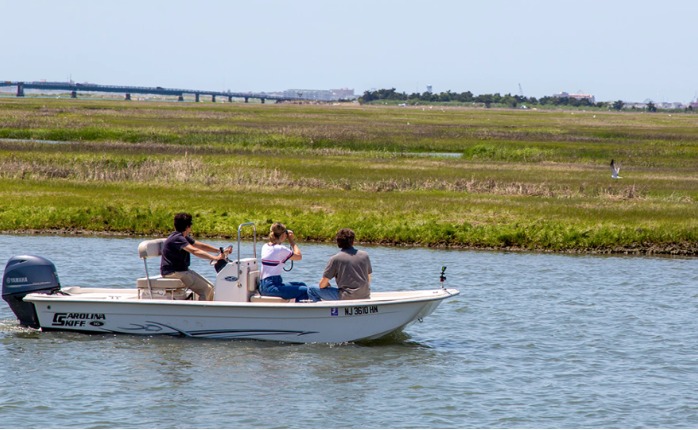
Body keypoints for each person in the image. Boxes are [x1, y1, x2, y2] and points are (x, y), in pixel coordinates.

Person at [160, 212, 231, 301]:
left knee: (210, 287)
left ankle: (207, 307)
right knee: (205, 289)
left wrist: (219, 250)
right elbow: (194, 251)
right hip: (173, 272)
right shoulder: (177, 239)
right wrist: (215, 258)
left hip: (181, 271)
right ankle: (202, 309)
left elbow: (200, 246)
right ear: (188, 227)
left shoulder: (182, 237)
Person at [308, 228, 372, 302]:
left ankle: (321, 309)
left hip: (346, 296)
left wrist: (327, 285)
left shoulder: (335, 258)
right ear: (353, 241)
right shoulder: (365, 255)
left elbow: (322, 285)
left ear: (338, 242)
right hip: (365, 295)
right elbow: (368, 279)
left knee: (311, 289)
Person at [259, 222, 309, 302]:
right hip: (271, 287)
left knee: (301, 285)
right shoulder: (281, 249)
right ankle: (299, 309)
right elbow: (299, 256)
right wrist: (291, 240)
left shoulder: (265, 246)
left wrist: (284, 235)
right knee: (305, 290)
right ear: (282, 235)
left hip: (264, 285)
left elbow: (276, 246)